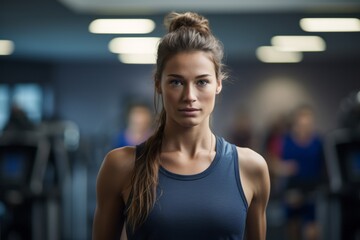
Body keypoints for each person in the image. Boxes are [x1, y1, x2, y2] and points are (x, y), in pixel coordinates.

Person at [93, 12, 270, 240]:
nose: (189, 96)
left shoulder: (251, 167)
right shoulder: (121, 166)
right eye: (176, 82)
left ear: (218, 84)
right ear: (158, 84)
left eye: (202, 82)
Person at [279, 105, 325, 240]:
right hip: (292, 192)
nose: (305, 127)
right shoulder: (286, 141)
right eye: (302, 124)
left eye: (308, 124)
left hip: (312, 193)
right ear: (296, 124)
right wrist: (284, 167)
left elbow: (325, 169)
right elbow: (273, 164)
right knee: (293, 231)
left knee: (312, 232)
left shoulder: (319, 142)